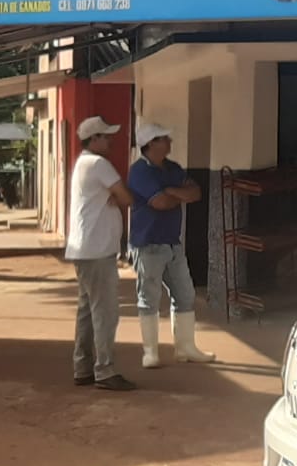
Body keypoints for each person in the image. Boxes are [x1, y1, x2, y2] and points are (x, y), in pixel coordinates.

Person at [127, 120, 217, 368]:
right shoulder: (139, 171)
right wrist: (177, 193)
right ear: (150, 144)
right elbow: (160, 203)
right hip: (147, 244)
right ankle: (150, 352)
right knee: (149, 298)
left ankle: (185, 347)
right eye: (163, 138)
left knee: (185, 295)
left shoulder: (173, 168)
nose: (169, 142)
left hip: (172, 244)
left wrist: (170, 191)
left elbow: (195, 193)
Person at [65, 116, 135, 392]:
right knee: (104, 312)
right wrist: (116, 197)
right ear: (93, 139)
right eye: (105, 136)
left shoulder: (83, 163)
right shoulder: (98, 164)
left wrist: (113, 197)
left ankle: (82, 367)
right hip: (97, 249)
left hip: (85, 248)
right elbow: (126, 197)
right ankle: (104, 370)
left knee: (87, 310)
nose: (110, 140)